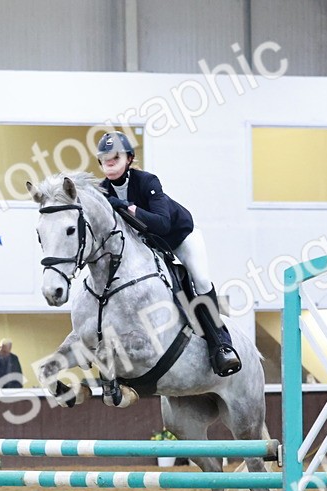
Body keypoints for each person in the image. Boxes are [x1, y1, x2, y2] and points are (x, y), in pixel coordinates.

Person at [94, 131, 241, 377]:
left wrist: (129, 208)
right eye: (104, 158)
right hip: (149, 245)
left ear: (129, 158)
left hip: (179, 236)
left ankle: (222, 344)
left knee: (201, 280)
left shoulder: (148, 181)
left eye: (115, 156)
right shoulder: (102, 190)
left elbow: (161, 223)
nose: (109, 162)